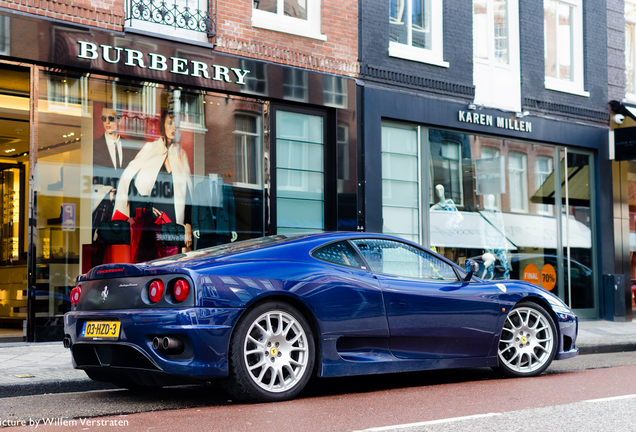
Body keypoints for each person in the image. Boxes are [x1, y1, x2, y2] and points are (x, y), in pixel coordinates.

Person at [113, 110, 193, 261]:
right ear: (162, 126)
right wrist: (145, 208)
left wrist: (188, 226)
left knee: (174, 261)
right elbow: (128, 177)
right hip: (154, 221)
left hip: (174, 222)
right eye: (170, 123)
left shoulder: (181, 155)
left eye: (176, 124)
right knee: (150, 261)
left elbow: (188, 193)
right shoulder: (151, 149)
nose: (173, 128)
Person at [91, 104, 137, 266]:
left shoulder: (132, 148)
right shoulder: (93, 147)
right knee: (101, 257)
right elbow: (86, 180)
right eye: (104, 118)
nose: (107, 122)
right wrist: (104, 192)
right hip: (102, 211)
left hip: (124, 211)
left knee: (123, 257)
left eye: (111, 118)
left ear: (120, 119)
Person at [192, 173, 237, 249]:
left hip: (222, 226)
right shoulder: (200, 186)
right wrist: (195, 227)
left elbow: (231, 208)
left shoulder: (226, 186)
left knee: (220, 255)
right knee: (203, 255)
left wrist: (233, 228)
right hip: (205, 226)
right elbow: (195, 208)